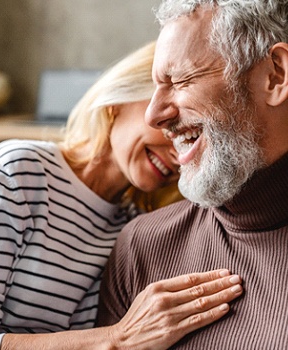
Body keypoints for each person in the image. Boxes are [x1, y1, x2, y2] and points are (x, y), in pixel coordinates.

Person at [0, 42, 243, 350]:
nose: (178, 157)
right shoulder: (17, 172)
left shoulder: (133, 225)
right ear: (118, 102)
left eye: (191, 137)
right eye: (168, 127)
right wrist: (117, 339)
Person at [97, 1, 288, 349]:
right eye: (156, 86)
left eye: (179, 80)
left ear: (275, 75)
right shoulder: (142, 246)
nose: (154, 115)